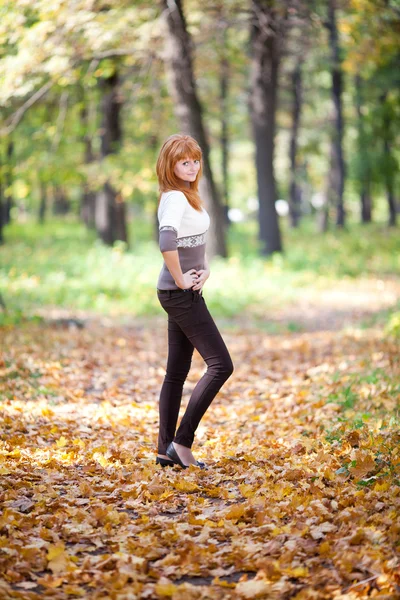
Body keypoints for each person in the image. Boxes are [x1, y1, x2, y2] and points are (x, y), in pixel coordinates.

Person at [155, 133, 234, 469]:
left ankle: (164, 452)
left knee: (176, 373)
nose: (191, 166)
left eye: (194, 160)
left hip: (181, 292)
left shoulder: (188, 196)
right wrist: (179, 277)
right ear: (170, 165)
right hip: (179, 294)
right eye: (183, 161)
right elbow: (166, 240)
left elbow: (193, 244)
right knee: (221, 365)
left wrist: (204, 270)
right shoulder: (174, 197)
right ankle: (181, 444)